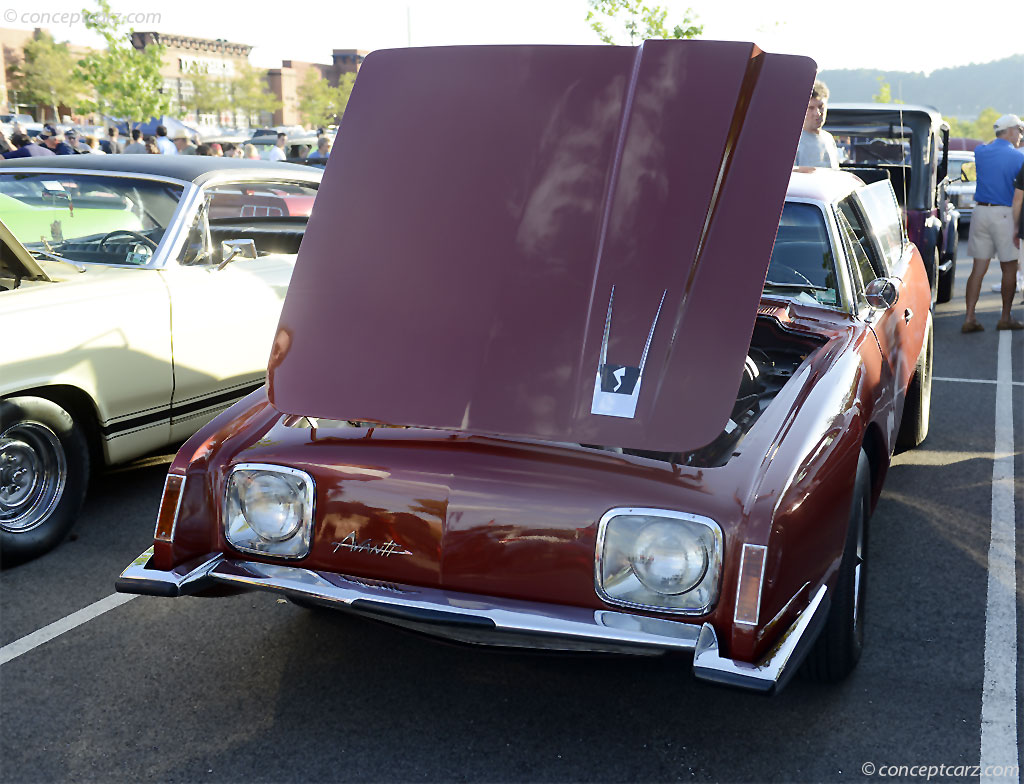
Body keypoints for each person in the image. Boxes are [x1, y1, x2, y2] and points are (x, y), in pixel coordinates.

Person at [962, 113, 1024, 332]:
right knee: (1009, 268)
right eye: (1019, 130)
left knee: (978, 268)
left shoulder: (981, 152)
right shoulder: (1018, 157)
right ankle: (1005, 317)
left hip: (980, 212)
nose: (1020, 135)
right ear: (1010, 131)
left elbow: (988, 146)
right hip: (1005, 213)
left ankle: (970, 317)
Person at [794, 80, 839, 169]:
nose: (817, 113)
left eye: (821, 107)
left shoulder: (828, 138)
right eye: (811, 108)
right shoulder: (794, 143)